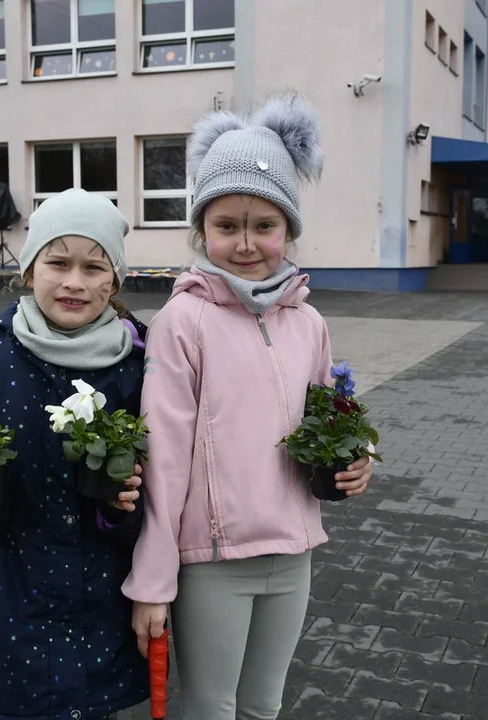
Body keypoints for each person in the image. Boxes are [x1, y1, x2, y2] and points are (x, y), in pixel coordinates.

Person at [123, 95, 374, 719]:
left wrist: (360, 456)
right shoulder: (183, 321)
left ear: (287, 229)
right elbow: (164, 461)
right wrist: (153, 583)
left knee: (264, 707)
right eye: (227, 225)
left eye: (263, 225)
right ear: (202, 230)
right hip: (211, 563)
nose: (245, 242)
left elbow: (331, 420)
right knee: (210, 709)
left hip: (293, 552)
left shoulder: (308, 321)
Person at [0, 189, 150, 720]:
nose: (74, 282)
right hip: (1, 619)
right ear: (29, 267)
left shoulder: (140, 364)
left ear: (116, 278)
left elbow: (173, 483)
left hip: (100, 616)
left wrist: (125, 501)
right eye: (57, 262)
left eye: (94, 267)